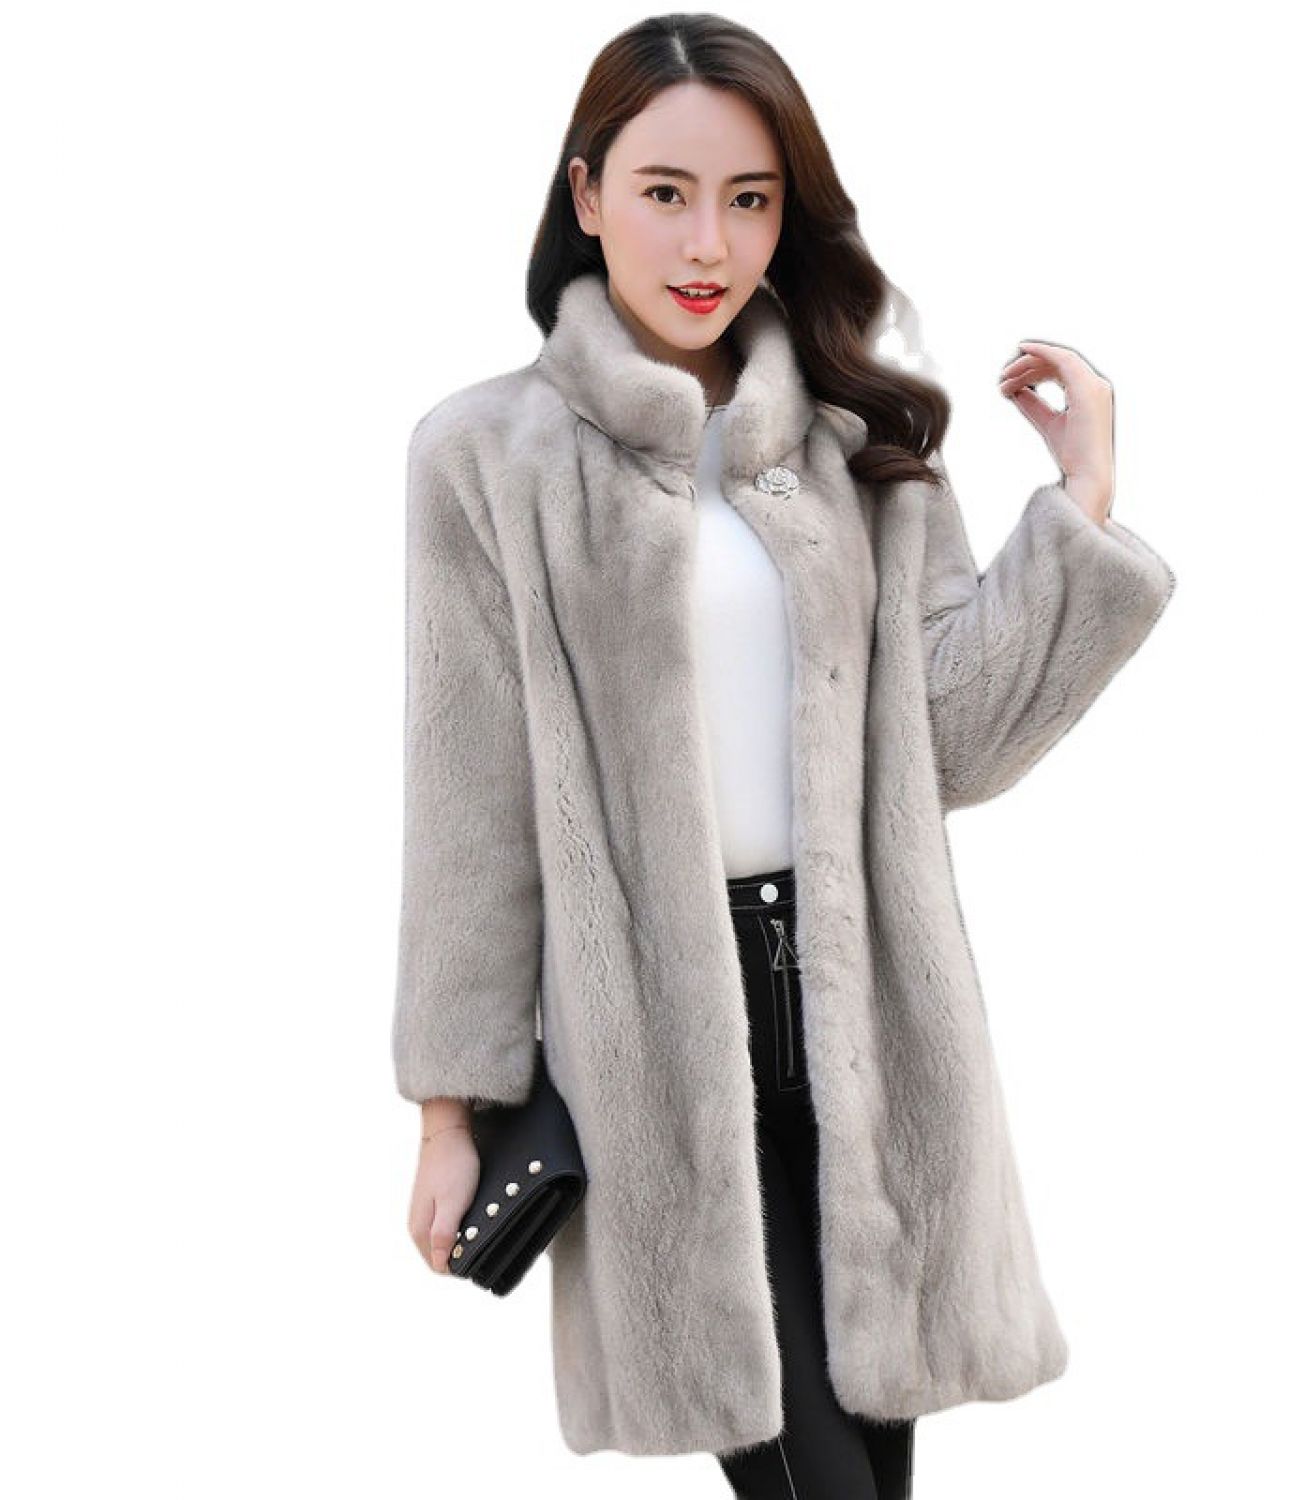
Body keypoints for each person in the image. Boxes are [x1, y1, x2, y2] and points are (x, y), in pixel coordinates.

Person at [395, 15, 1176, 1497]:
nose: (708, 241)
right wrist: (450, 1107)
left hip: (866, 1013)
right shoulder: (485, 459)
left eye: (749, 199)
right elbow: (469, 798)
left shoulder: (846, 443)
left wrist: (1079, 503)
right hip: (652, 1040)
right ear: (586, 196)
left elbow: (954, 745)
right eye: (665, 191)